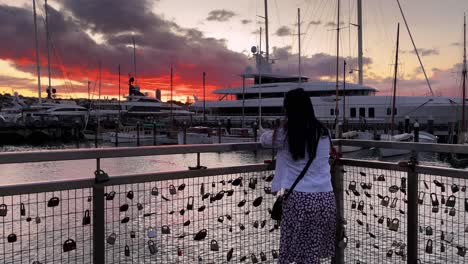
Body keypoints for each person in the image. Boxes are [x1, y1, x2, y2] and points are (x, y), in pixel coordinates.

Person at [260, 88, 336, 264]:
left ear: (289, 110)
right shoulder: (324, 132)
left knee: (290, 253)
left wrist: (279, 126)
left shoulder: (286, 133)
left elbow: (264, 139)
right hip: (326, 198)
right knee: (312, 255)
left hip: (300, 199)